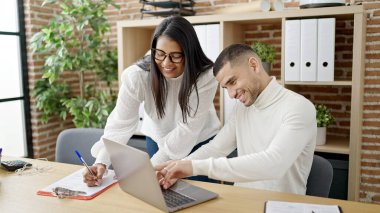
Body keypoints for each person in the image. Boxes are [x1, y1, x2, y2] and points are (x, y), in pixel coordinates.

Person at [155, 44, 317, 195]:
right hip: (242, 201)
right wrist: (175, 168)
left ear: (253, 65)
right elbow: (216, 148)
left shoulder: (298, 107)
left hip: (280, 206)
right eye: (226, 88)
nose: (231, 94)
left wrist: (192, 167)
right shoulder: (242, 109)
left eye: (233, 82)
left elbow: (273, 164)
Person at [83, 16, 221, 187]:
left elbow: (188, 129)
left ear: (189, 53)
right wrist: (101, 162)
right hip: (158, 140)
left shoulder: (206, 76)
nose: (166, 63)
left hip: (199, 144)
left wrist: (148, 168)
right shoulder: (137, 76)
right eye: (160, 54)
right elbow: (121, 123)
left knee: (201, 199)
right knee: (161, 197)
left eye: (175, 56)